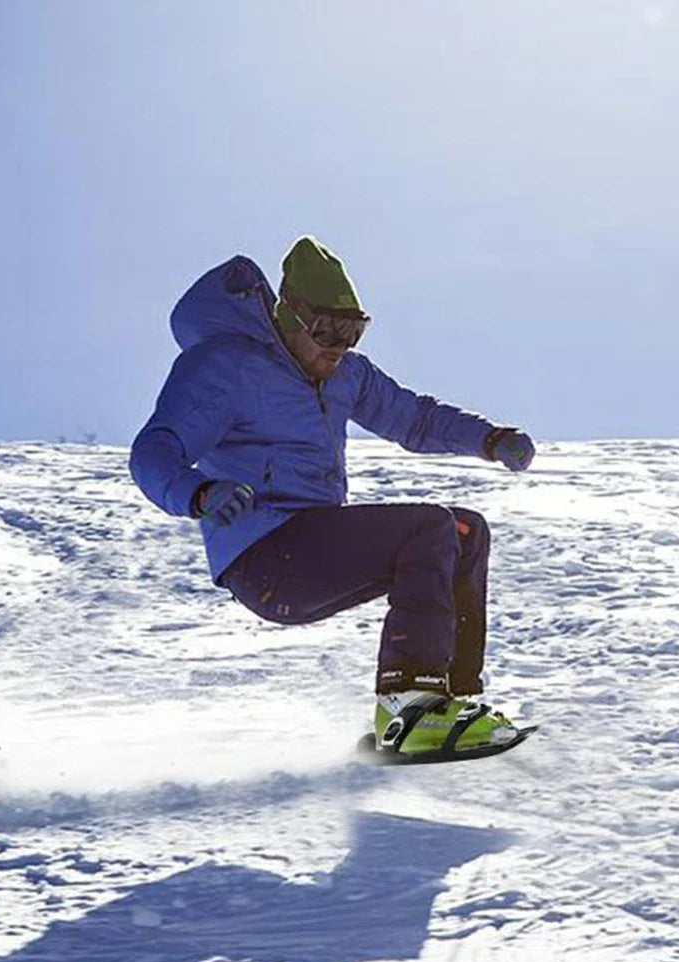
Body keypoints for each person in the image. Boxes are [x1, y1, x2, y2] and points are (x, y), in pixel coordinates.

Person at [129, 236, 536, 758]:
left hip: (315, 544)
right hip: (265, 556)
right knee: (429, 526)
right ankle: (409, 707)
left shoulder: (347, 375)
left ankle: (449, 702)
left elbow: (413, 418)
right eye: (325, 330)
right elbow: (154, 449)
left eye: (352, 332)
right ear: (290, 317)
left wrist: (489, 439)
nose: (337, 346)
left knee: (464, 530)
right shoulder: (227, 367)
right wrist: (199, 492)